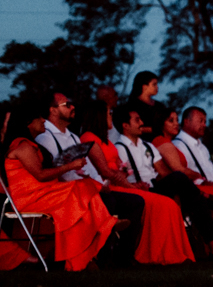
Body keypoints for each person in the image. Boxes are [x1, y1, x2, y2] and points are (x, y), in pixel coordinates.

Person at [77, 100, 193, 266]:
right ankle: (149, 254)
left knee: (167, 203)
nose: (111, 116)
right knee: (157, 202)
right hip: (107, 188)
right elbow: (106, 171)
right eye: (108, 113)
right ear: (98, 116)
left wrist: (128, 179)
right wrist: (130, 185)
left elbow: (118, 169)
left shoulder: (107, 142)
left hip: (120, 185)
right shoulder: (89, 138)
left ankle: (169, 253)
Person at [5, 106, 119, 271]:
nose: (44, 120)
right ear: (28, 123)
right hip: (32, 198)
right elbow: (41, 175)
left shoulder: (30, 145)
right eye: (39, 118)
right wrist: (71, 165)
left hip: (45, 193)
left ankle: (98, 232)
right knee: (81, 190)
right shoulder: (22, 147)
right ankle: (104, 224)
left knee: (82, 192)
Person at [35, 91, 145, 262]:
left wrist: (101, 184)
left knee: (135, 202)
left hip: (87, 186)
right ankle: (100, 257)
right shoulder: (45, 137)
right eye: (67, 105)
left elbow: (87, 166)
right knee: (108, 201)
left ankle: (124, 257)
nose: (73, 107)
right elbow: (53, 171)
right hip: (67, 191)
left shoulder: (73, 136)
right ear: (53, 110)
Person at [112, 104, 213, 258]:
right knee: (190, 192)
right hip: (138, 191)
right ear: (125, 126)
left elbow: (164, 173)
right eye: (137, 120)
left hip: (155, 186)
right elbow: (118, 177)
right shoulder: (118, 148)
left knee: (187, 191)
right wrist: (135, 185)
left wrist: (180, 187)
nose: (141, 123)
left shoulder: (148, 146)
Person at [167, 107, 213, 254]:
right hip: (198, 189)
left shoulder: (202, 147)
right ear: (187, 122)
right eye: (200, 121)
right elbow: (183, 173)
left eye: (205, 121)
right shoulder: (178, 145)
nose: (204, 125)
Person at [127, 71, 168, 145]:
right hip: (143, 143)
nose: (157, 87)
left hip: (163, 141)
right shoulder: (132, 105)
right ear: (144, 86)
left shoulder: (159, 106)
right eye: (154, 84)